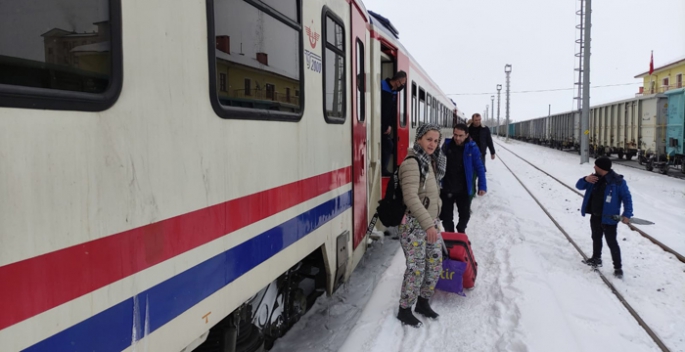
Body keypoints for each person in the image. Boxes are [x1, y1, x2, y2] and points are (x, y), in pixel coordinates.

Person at [396, 123, 446, 327]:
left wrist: (436, 215)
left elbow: (431, 194)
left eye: (436, 140)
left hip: (430, 223)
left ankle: (423, 303)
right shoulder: (412, 163)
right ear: (419, 139)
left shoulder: (430, 161)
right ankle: (404, 309)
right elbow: (410, 197)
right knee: (416, 268)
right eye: (429, 139)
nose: (432, 144)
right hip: (415, 225)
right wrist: (428, 225)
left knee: (434, 265)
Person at [575, 157, 633, 278]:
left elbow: (627, 198)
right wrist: (585, 179)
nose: (593, 167)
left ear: (601, 168)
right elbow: (579, 186)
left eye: (595, 166)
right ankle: (596, 258)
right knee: (596, 238)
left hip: (609, 218)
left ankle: (618, 268)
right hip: (596, 215)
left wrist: (627, 214)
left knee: (612, 242)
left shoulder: (617, 182)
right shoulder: (593, 178)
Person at [440, 124, 487, 233]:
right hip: (447, 187)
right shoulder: (446, 146)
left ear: (466, 135)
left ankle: (461, 231)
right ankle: (450, 235)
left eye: (460, 135)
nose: (457, 138)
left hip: (464, 189)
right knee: (446, 217)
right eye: (455, 135)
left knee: (464, 215)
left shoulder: (472, 148)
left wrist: (482, 186)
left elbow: (480, 168)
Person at [381, 71, 407, 176]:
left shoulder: (394, 93)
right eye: (402, 83)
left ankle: (383, 168)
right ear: (397, 80)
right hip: (379, 122)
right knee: (388, 145)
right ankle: (382, 169)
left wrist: (390, 125)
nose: (402, 86)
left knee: (390, 145)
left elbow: (392, 111)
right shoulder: (381, 86)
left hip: (386, 125)